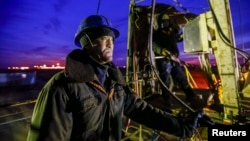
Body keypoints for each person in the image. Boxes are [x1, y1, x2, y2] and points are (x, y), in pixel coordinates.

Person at [26, 15, 207, 141]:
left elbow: (141, 109)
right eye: (104, 38)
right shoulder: (63, 87)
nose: (111, 43)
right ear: (87, 42)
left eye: (112, 39)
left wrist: (182, 125)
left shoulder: (114, 83)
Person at [153, 13, 204, 110]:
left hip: (174, 60)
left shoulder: (172, 33)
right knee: (165, 81)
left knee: (182, 79)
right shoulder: (156, 34)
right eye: (162, 22)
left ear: (169, 22)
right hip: (164, 61)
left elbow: (179, 38)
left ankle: (191, 96)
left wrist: (186, 32)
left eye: (166, 22)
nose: (164, 24)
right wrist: (162, 50)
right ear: (159, 24)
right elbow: (154, 45)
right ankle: (166, 100)